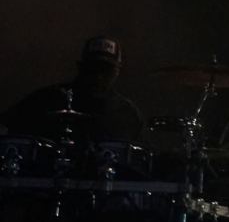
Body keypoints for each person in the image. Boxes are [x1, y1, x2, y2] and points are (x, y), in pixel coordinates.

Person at [3, 36, 146, 145]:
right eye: (93, 68)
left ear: (117, 72)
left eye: (105, 70)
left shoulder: (128, 114)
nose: (99, 76)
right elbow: (6, 125)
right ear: (81, 67)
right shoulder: (46, 99)